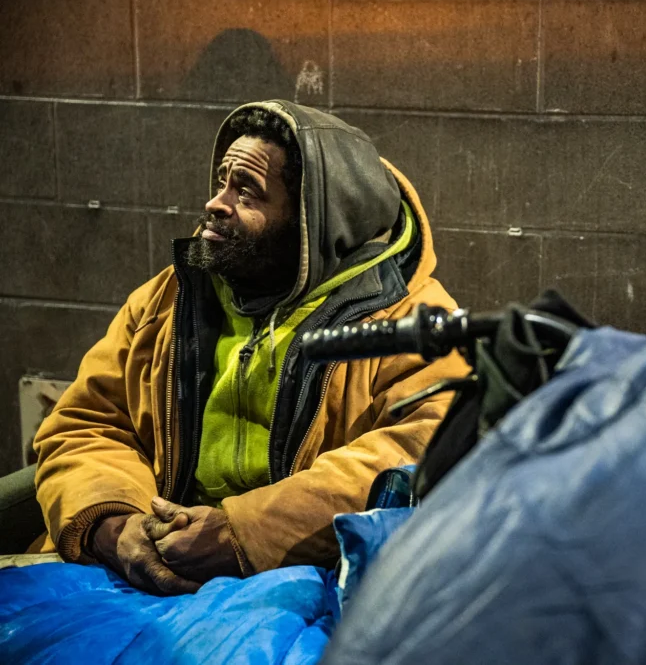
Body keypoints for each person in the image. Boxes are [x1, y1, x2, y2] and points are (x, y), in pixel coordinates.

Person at [30, 101, 467, 594]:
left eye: (247, 191)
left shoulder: (414, 323)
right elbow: (85, 423)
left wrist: (242, 533)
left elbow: (421, 454)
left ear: (312, 221)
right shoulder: (169, 298)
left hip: (306, 579)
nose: (216, 203)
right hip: (139, 564)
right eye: (222, 181)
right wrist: (115, 526)